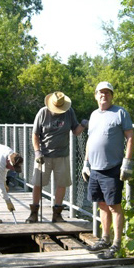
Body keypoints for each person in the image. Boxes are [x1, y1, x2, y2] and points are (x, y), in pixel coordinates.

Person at [82, 81, 134, 259]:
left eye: (107, 92)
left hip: (112, 167)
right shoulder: (94, 115)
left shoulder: (120, 113)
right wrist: (86, 163)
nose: (104, 95)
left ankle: (117, 244)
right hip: (95, 169)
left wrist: (127, 162)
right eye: (100, 92)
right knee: (102, 205)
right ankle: (105, 239)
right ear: (95, 95)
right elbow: (90, 140)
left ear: (112, 96)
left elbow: (129, 137)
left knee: (114, 206)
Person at [26, 91, 88, 223]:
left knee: (62, 184)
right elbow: (35, 134)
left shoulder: (69, 112)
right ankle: (34, 213)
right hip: (44, 155)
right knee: (38, 183)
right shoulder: (42, 113)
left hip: (62, 155)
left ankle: (57, 214)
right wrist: (37, 152)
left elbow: (75, 131)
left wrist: (82, 125)